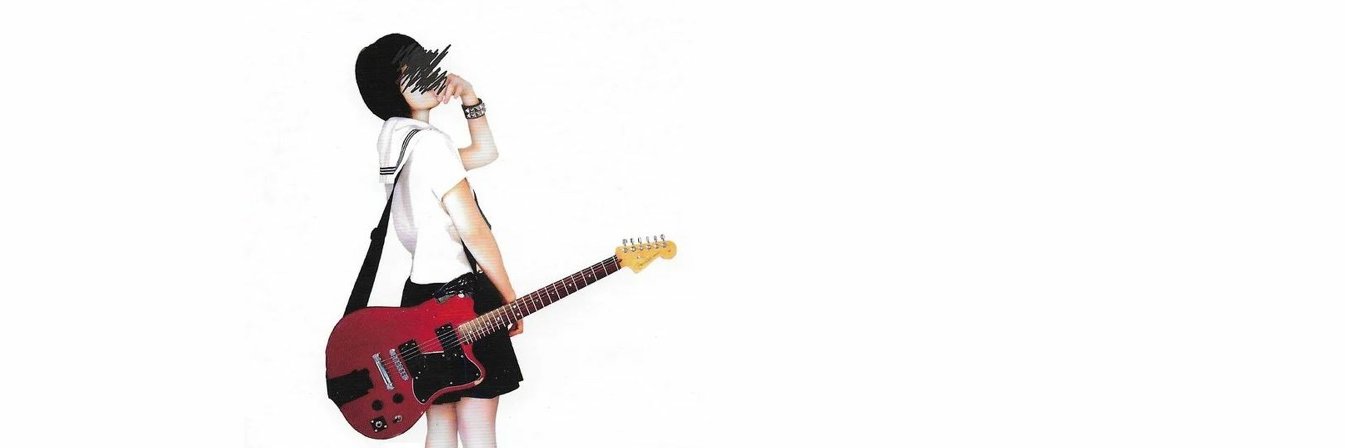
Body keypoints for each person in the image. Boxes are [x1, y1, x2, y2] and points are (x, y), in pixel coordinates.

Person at [355, 33, 523, 448]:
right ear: (388, 87)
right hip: (462, 298)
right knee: (478, 428)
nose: (425, 74)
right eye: (408, 70)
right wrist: (507, 297)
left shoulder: (397, 139)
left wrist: (468, 97)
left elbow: (483, 153)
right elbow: (473, 230)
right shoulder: (431, 144)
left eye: (423, 63)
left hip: (420, 299)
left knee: (441, 425)